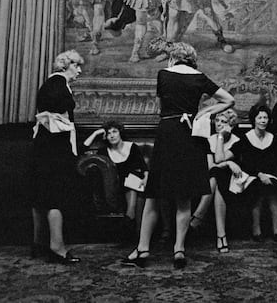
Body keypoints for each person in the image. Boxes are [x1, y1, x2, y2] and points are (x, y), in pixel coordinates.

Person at [122, 42, 234, 268]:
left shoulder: (163, 75)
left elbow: (158, 107)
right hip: (190, 136)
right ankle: (179, 250)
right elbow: (229, 100)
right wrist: (204, 111)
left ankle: (143, 249)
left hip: (168, 132)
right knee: (184, 198)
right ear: (192, 59)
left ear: (172, 58)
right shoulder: (199, 77)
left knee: (153, 195)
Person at [31, 49, 84, 264]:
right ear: (65, 66)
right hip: (53, 149)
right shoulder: (58, 84)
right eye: (77, 66)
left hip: (45, 147)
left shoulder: (52, 84)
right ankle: (57, 247)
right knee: (55, 196)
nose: (79, 71)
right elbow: (59, 112)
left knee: (42, 195)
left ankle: (39, 244)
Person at [230, 104, 277, 243]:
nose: (263, 121)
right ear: (254, 120)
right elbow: (245, 164)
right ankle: (256, 230)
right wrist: (259, 174)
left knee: (273, 190)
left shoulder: (274, 138)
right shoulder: (245, 139)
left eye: (265, 118)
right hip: (252, 176)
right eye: (260, 118)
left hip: (270, 175)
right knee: (258, 191)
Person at [83, 120, 148, 235]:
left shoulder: (132, 147)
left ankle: (132, 221)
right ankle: (135, 227)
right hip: (115, 188)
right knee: (136, 191)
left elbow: (144, 168)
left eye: (114, 132)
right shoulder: (103, 151)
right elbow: (81, 149)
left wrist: (145, 179)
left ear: (120, 133)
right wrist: (96, 133)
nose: (112, 135)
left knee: (137, 190)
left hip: (136, 183)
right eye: (108, 133)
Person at [189, 109, 240, 253]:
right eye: (217, 121)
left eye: (223, 122)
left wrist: (221, 138)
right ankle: (221, 236)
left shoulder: (238, 141)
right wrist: (229, 163)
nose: (219, 124)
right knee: (217, 178)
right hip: (211, 177)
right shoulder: (208, 140)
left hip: (234, 181)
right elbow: (212, 165)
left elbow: (218, 159)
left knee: (218, 178)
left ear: (231, 125)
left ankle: (198, 217)